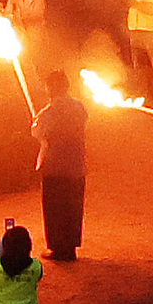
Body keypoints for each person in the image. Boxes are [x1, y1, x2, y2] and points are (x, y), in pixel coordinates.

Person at [32, 71, 88, 260]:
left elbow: (38, 133)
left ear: (50, 88)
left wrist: (36, 123)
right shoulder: (79, 107)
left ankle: (58, 247)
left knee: (56, 208)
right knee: (72, 207)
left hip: (56, 166)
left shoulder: (50, 111)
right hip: (75, 165)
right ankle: (70, 246)